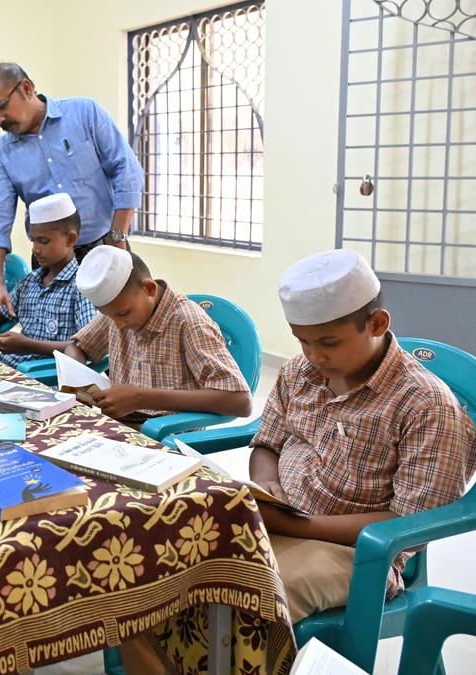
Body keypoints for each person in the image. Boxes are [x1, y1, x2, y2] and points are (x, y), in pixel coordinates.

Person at [119, 250, 476, 674]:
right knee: (151, 566)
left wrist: (294, 524)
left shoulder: (425, 405)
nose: (314, 356)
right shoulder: (301, 373)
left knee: (240, 595)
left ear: (377, 324)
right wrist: (268, 487)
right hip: (279, 516)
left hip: (355, 551)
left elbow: (408, 522)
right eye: (302, 340)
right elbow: (267, 444)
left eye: (328, 342)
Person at [0, 61, 143, 328]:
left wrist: (117, 237)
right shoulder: (2, 154)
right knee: (56, 341)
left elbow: (127, 171)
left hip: (106, 246)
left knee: (119, 333)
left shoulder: (83, 113)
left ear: (27, 89)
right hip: (49, 260)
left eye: (2, 107)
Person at [62, 246, 251, 425]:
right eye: (109, 316)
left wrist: (142, 398)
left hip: (168, 434)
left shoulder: (189, 322)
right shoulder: (117, 310)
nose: (118, 325)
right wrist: (79, 382)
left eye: (123, 314)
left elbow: (240, 401)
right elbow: (77, 346)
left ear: (149, 289)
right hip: (118, 425)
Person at [0, 193, 97, 367]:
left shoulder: (81, 288)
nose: (35, 249)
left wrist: (27, 345)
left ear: (70, 239)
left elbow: (86, 346)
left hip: (44, 378)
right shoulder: (29, 283)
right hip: (9, 368)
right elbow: (0, 316)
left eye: (43, 241)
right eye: (33, 240)